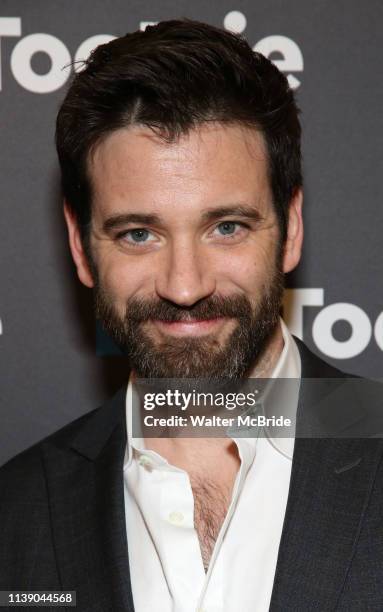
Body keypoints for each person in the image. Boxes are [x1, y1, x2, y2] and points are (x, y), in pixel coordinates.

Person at [1, 18, 382, 612]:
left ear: (291, 229)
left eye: (226, 227)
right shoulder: (14, 513)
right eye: (138, 234)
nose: (184, 286)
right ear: (81, 247)